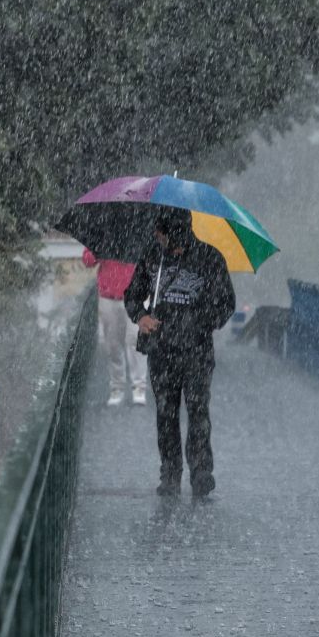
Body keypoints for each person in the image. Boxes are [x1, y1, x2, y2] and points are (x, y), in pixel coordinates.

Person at [122, 206, 235, 497]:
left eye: (160, 232)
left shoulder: (210, 258)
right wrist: (141, 317)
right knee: (166, 413)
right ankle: (170, 474)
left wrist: (199, 321)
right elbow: (133, 294)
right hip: (162, 350)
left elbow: (226, 304)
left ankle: (201, 473)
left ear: (172, 232)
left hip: (197, 352)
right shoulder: (153, 258)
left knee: (198, 412)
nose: (156, 237)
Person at [81, 248, 148, 406]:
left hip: (136, 297)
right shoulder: (104, 234)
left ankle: (139, 386)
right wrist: (100, 250)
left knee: (136, 341)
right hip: (109, 297)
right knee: (113, 344)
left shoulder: (140, 233)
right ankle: (117, 386)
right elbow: (87, 261)